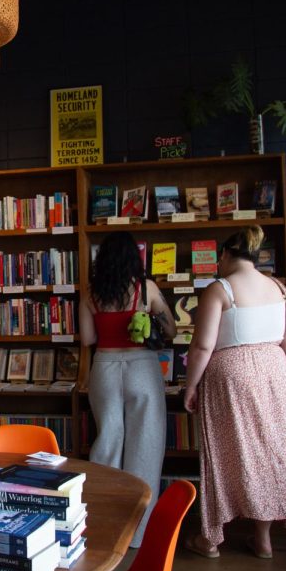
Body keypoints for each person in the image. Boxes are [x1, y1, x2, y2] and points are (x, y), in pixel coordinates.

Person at [182, 226, 286, 559]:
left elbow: (202, 345)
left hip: (232, 375)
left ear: (225, 255)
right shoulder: (279, 288)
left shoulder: (220, 289)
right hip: (275, 372)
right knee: (268, 453)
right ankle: (263, 538)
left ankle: (211, 539)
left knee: (227, 453)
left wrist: (191, 385)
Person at [79, 231, 176, 547]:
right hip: (142, 369)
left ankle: (102, 523)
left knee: (108, 440)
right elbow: (172, 329)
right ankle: (138, 533)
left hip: (105, 368)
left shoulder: (91, 293)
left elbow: (88, 340)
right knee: (145, 445)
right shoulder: (146, 289)